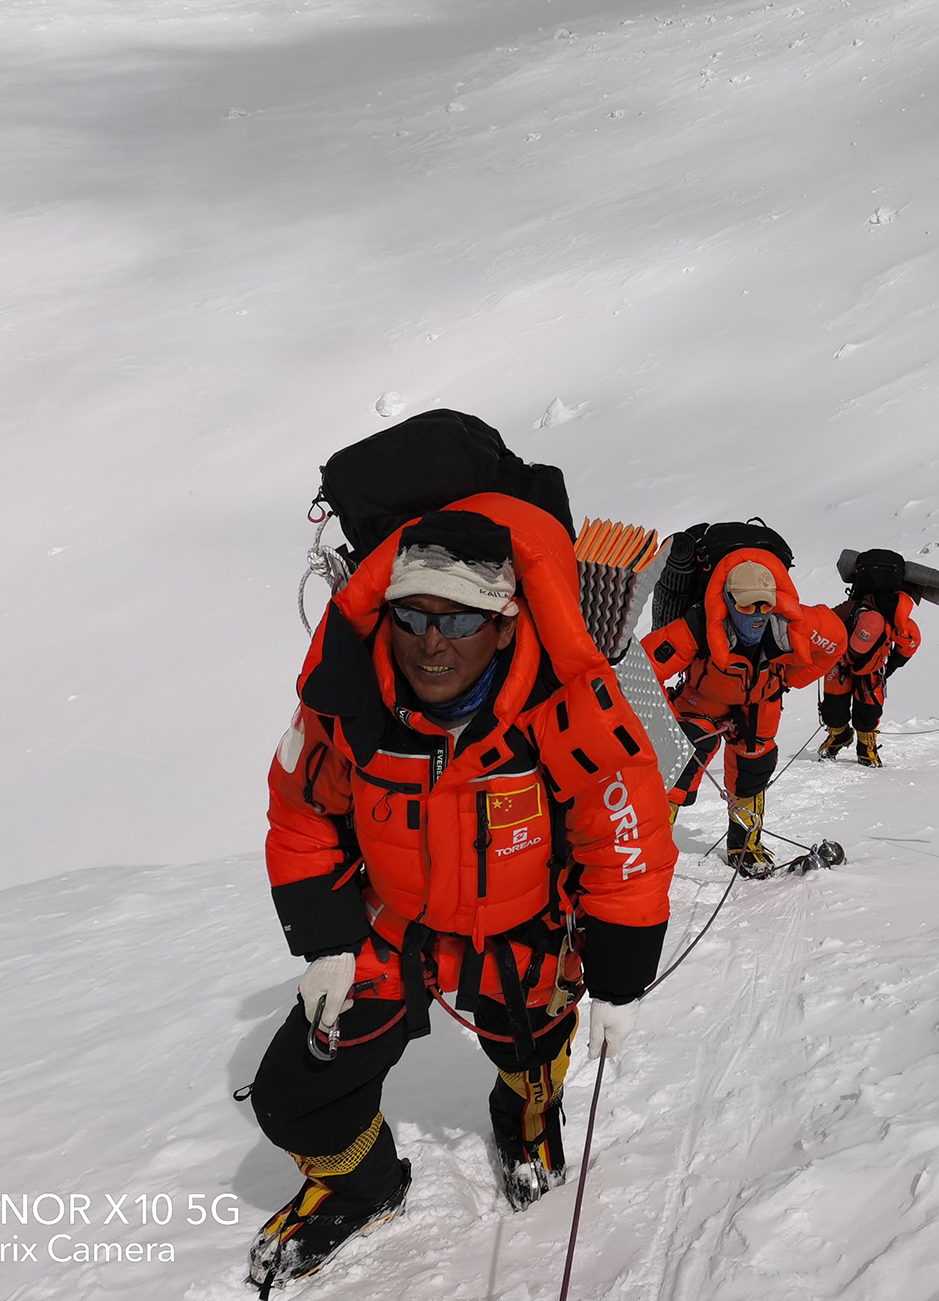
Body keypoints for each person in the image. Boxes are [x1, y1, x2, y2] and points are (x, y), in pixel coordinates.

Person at [248, 502, 678, 1289]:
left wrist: (619, 975)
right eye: (411, 615)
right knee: (292, 1095)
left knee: (533, 1055)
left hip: (521, 931)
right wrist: (327, 941)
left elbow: (626, 839)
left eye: (461, 619)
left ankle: (523, 1122)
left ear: (508, 624)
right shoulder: (347, 710)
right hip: (393, 926)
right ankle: (361, 1186)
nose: (431, 642)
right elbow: (302, 812)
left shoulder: (564, 712)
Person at [643, 547, 845, 876]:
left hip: (759, 703)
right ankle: (648, 847)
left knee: (755, 765)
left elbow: (836, 642)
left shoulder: (794, 624)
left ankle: (745, 847)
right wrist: (665, 716)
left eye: (765, 604)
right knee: (679, 759)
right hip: (702, 701)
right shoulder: (698, 625)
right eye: (746, 604)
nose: (757, 613)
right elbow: (640, 670)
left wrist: (785, 681)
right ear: (727, 601)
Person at [819, 550, 922, 767]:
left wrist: (890, 668)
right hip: (852, 664)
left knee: (866, 707)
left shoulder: (873, 612)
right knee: (836, 707)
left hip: (863, 667)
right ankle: (842, 735)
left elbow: (910, 642)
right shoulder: (884, 616)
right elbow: (909, 643)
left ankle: (863, 744)